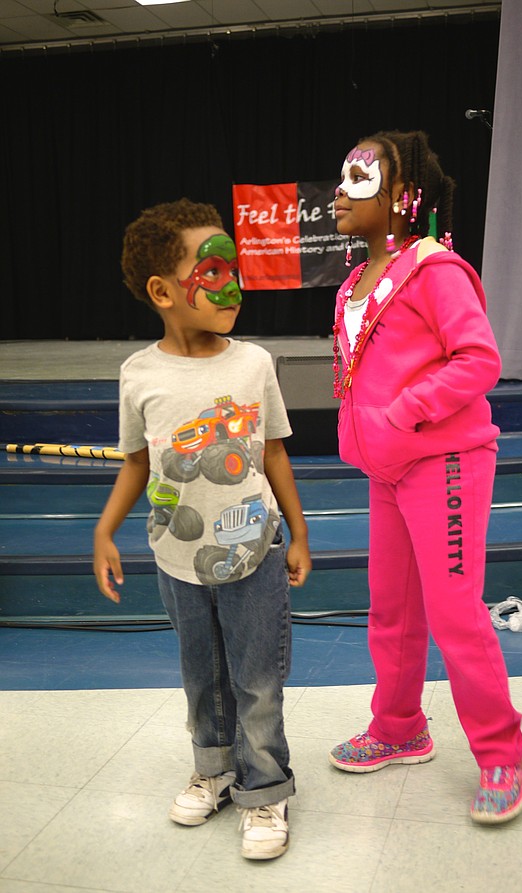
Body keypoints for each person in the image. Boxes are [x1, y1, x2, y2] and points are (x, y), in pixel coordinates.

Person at [93, 198, 311, 860]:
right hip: (177, 556)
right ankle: (215, 768)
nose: (229, 285)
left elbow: (273, 451)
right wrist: (105, 530)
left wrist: (298, 532)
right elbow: (137, 462)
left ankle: (264, 786)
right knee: (202, 675)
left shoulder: (252, 364)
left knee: (255, 677)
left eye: (232, 268)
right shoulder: (140, 375)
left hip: (254, 552)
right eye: (209, 271)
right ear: (162, 291)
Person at [329, 130, 522, 823]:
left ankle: (503, 750)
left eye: (358, 180)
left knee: (454, 612)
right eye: (341, 179)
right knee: (391, 607)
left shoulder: (436, 270)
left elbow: (479, 359)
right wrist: (370, 433)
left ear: (403, 197)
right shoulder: (357, 281)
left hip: (443, 460)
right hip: (387, 466)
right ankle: (399, 725)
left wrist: (402, 413)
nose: (337, 194)